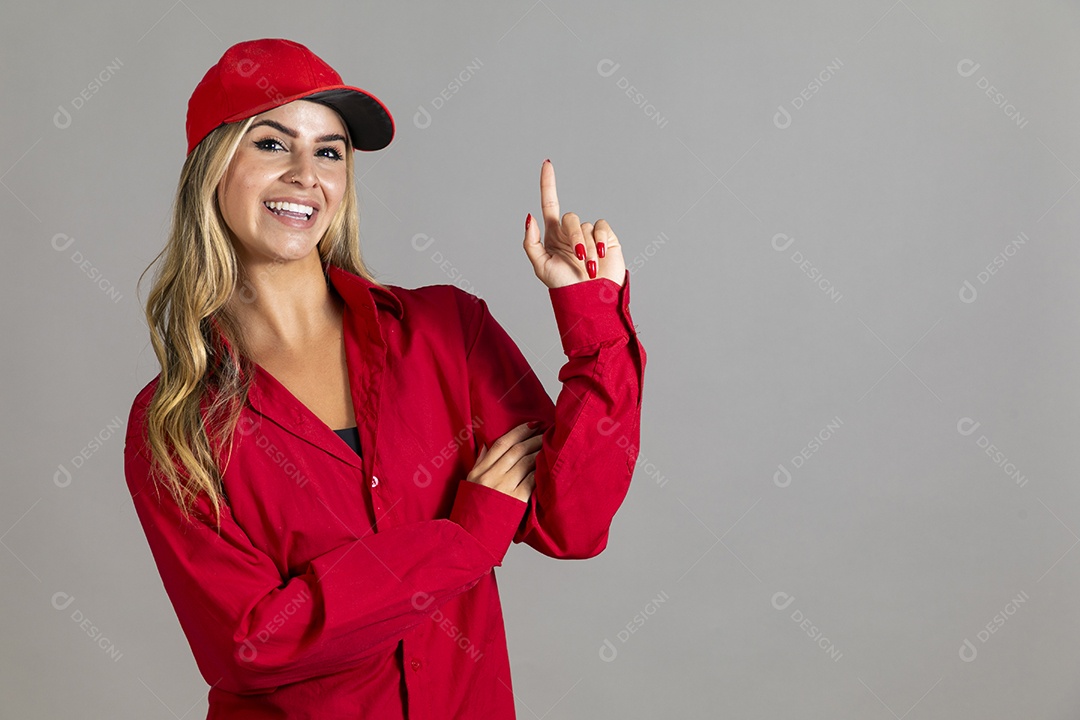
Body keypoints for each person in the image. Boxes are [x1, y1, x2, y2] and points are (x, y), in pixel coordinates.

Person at [123, 37, 647, 719]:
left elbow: (570, 524)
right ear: (213, 168)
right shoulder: (176, 424)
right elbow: (252, 646)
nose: (306, 173)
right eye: (273, 144)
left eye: (330, 151)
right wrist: (458, 543)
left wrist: (593, 323)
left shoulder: (445, 333)